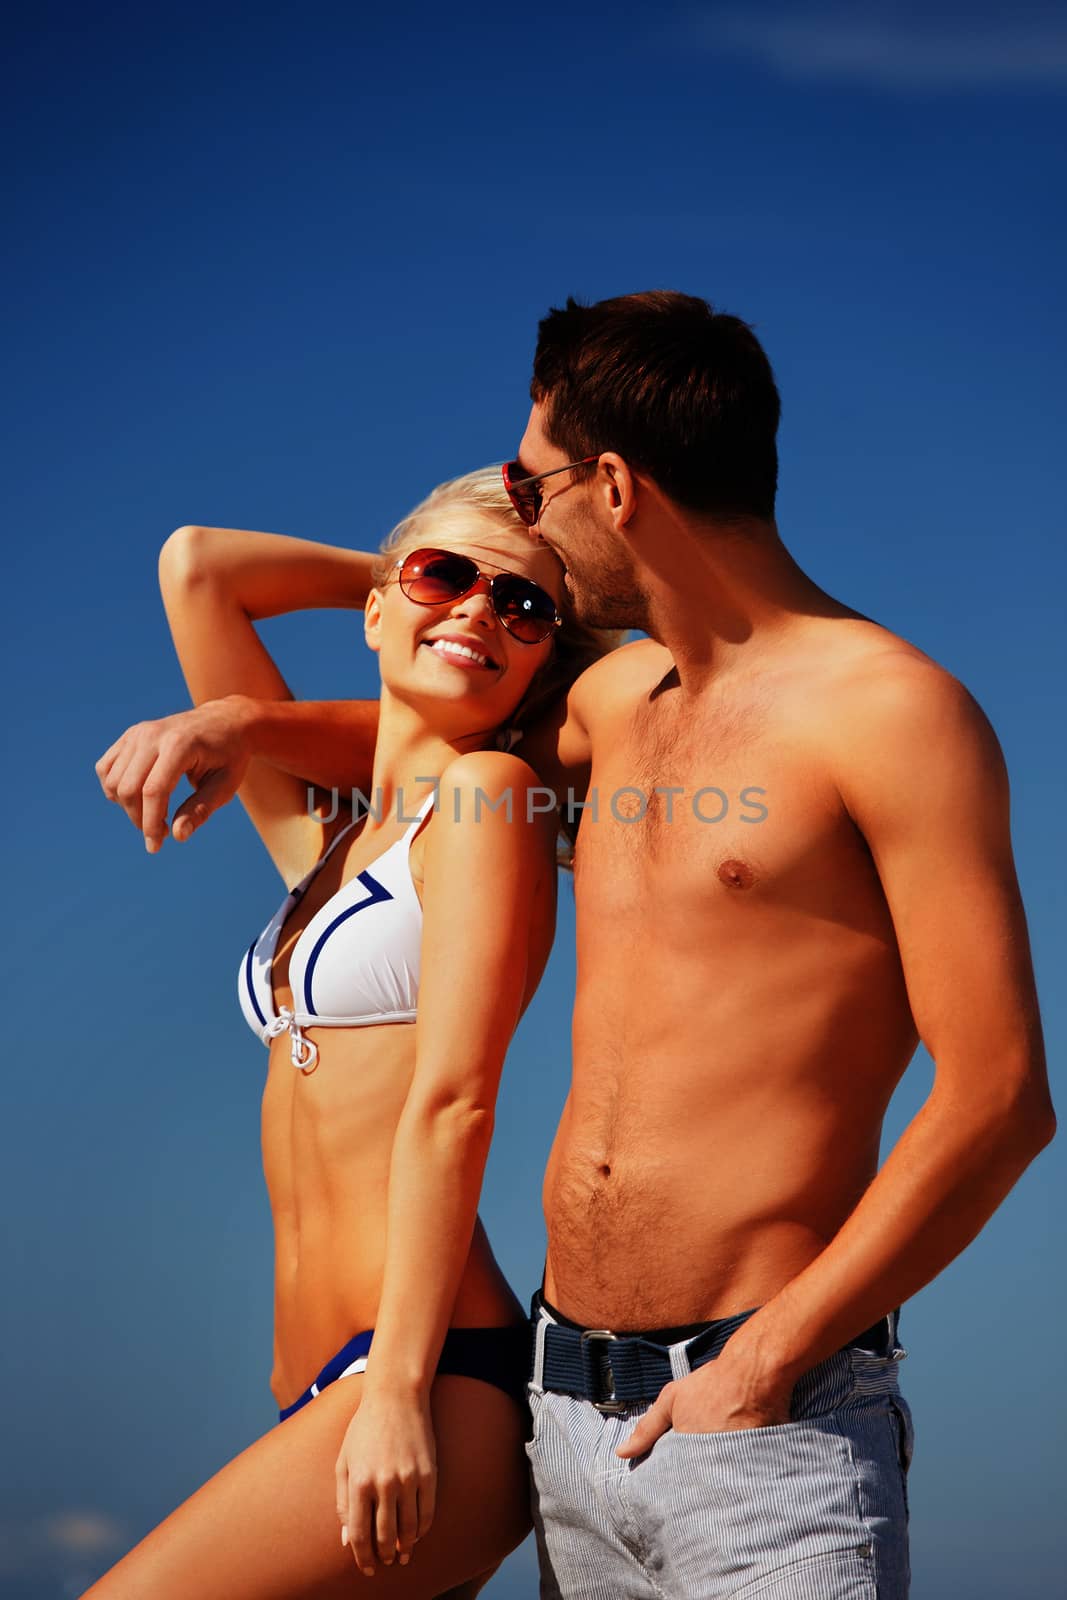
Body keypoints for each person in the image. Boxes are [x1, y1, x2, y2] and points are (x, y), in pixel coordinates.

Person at [98, 292, 1056, 1600]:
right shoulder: (611, 704)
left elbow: (997, 1096)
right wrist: (234, 722)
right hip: (563, 1415)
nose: (523, 510)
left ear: (611, 484)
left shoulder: (888, 714)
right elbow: (417, 745)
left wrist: (763, 1361)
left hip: (757, 1425)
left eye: (528, 480)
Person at [90, 466, 619, 1599]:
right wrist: (402, 587)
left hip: (425, 1382)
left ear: (542, 662)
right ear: (380, 604)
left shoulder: (487, 809)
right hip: (320, 1388)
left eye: (524, 609)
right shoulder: (324, 849)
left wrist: (391, 1393)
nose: (482, 611)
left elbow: (456, 1100)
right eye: (444, 579)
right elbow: (199, 566)